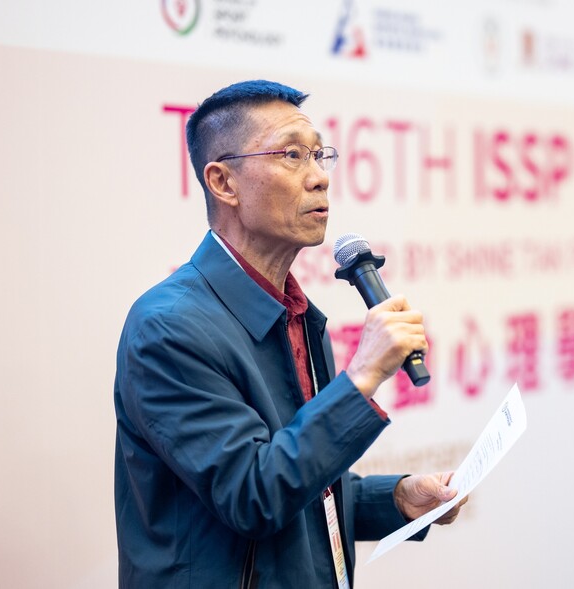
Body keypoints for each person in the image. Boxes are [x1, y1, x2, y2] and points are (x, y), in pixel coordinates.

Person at [114, 79, 466, 588]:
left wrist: (395, 498)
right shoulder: (168, 328)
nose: (319, 177)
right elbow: (253, 494)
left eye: (320, 155)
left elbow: (299, 476)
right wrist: (362, 376)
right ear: (223, 182)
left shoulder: (296, 313)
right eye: (292, 155)